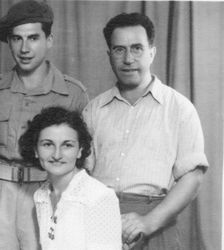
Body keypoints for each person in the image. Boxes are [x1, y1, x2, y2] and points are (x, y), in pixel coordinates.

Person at [82, 13, 209, 249]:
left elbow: (193, 177)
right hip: (100, 224)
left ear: (152, 52)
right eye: (119, 50)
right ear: (109, 56)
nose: (128, 58)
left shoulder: (180, 108)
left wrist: (148, 222)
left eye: (137, 48)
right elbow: (82, 176)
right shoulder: (93, 110)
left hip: (156, 223)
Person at [0, 1, 89, 249]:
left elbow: (85, 160)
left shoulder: (72, 93)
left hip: (49, 190)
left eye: (33, 38)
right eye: (17, 39)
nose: (25, 48)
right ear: (9, 42)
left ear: (49, 39)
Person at [19, 107, 122, 250]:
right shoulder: (41, 195)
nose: (56, 154)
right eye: (48, 144)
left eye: (67, 145)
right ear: (36, 150)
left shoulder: (100, 197)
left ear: (80, 150)